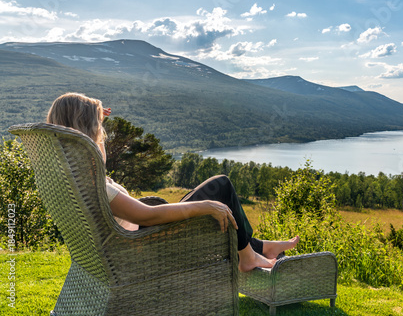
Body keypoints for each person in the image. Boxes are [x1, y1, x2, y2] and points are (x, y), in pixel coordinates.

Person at [46, 92, 299, 272]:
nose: (102, 136)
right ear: (86, 134)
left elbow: (96, 162)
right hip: (144, 248)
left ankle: (261, 247)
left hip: (126, 246)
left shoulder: (71, 179)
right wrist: (206, 206)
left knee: (215, 190)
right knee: (221, 186)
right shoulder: (96, 185)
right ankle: (248, 258)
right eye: (97, 131)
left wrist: (93, 117)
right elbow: (146, 216)